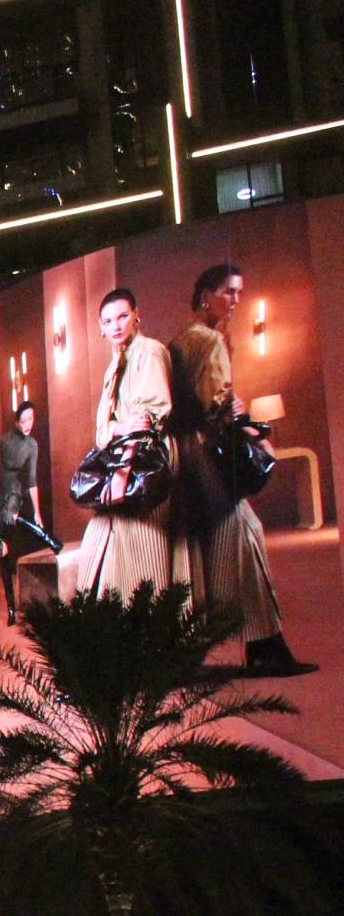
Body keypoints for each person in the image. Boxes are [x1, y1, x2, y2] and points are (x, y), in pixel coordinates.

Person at [170, 263, 316, 676]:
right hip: (208, 458)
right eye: (228, 292)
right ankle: (264, 646)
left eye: (238, 292)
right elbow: (217, 406)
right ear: (205, 295)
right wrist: (249, 425)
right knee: (245, 537)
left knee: (205, 550)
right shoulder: (210, 341)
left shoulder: (180, 340)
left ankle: (236, 646)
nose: (235, 300)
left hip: (185, 457)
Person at [75, 289, 189, 601]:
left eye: (123, 316)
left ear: (137, 316)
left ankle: (152, 619)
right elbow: (103, 431)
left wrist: (122, 472)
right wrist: (119, 427)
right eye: (108, 321)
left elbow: (146, 421)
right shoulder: (115, 363)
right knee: (110, 551)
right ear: (100, 327)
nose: (116, 325)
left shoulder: (148, 352)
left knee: (145, 550)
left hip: (144, 462)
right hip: (123, 460)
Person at [0, 401, 62, 625]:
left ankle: (49, 540)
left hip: (14, 492)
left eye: (31, 419)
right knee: (2, 551)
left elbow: (32, 481)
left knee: (13, 516)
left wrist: (37, 512)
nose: (28, 424)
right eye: (24, 420)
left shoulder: (32, 445)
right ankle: (10, 609)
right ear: (17, 422)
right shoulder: (6, 440)